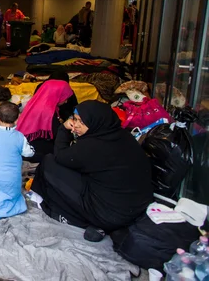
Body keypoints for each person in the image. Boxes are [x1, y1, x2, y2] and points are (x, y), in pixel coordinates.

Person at [31, 101, 153, 242]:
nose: (75, 125)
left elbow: (60, 157)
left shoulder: (92, 146)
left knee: (49, 163)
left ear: (96, 122)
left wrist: (63, 130)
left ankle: (79, 219)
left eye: (81, 122)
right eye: (74, 119)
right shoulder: (123, 137)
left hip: (108, 214)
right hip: (136, 210)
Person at [16, 80, 74, 163]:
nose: (66, 101)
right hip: (32, 151)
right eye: (65, 97)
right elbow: (57, 134)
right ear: (56, 95)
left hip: (24, 143)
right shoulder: (48, 112)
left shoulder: (36, 102)